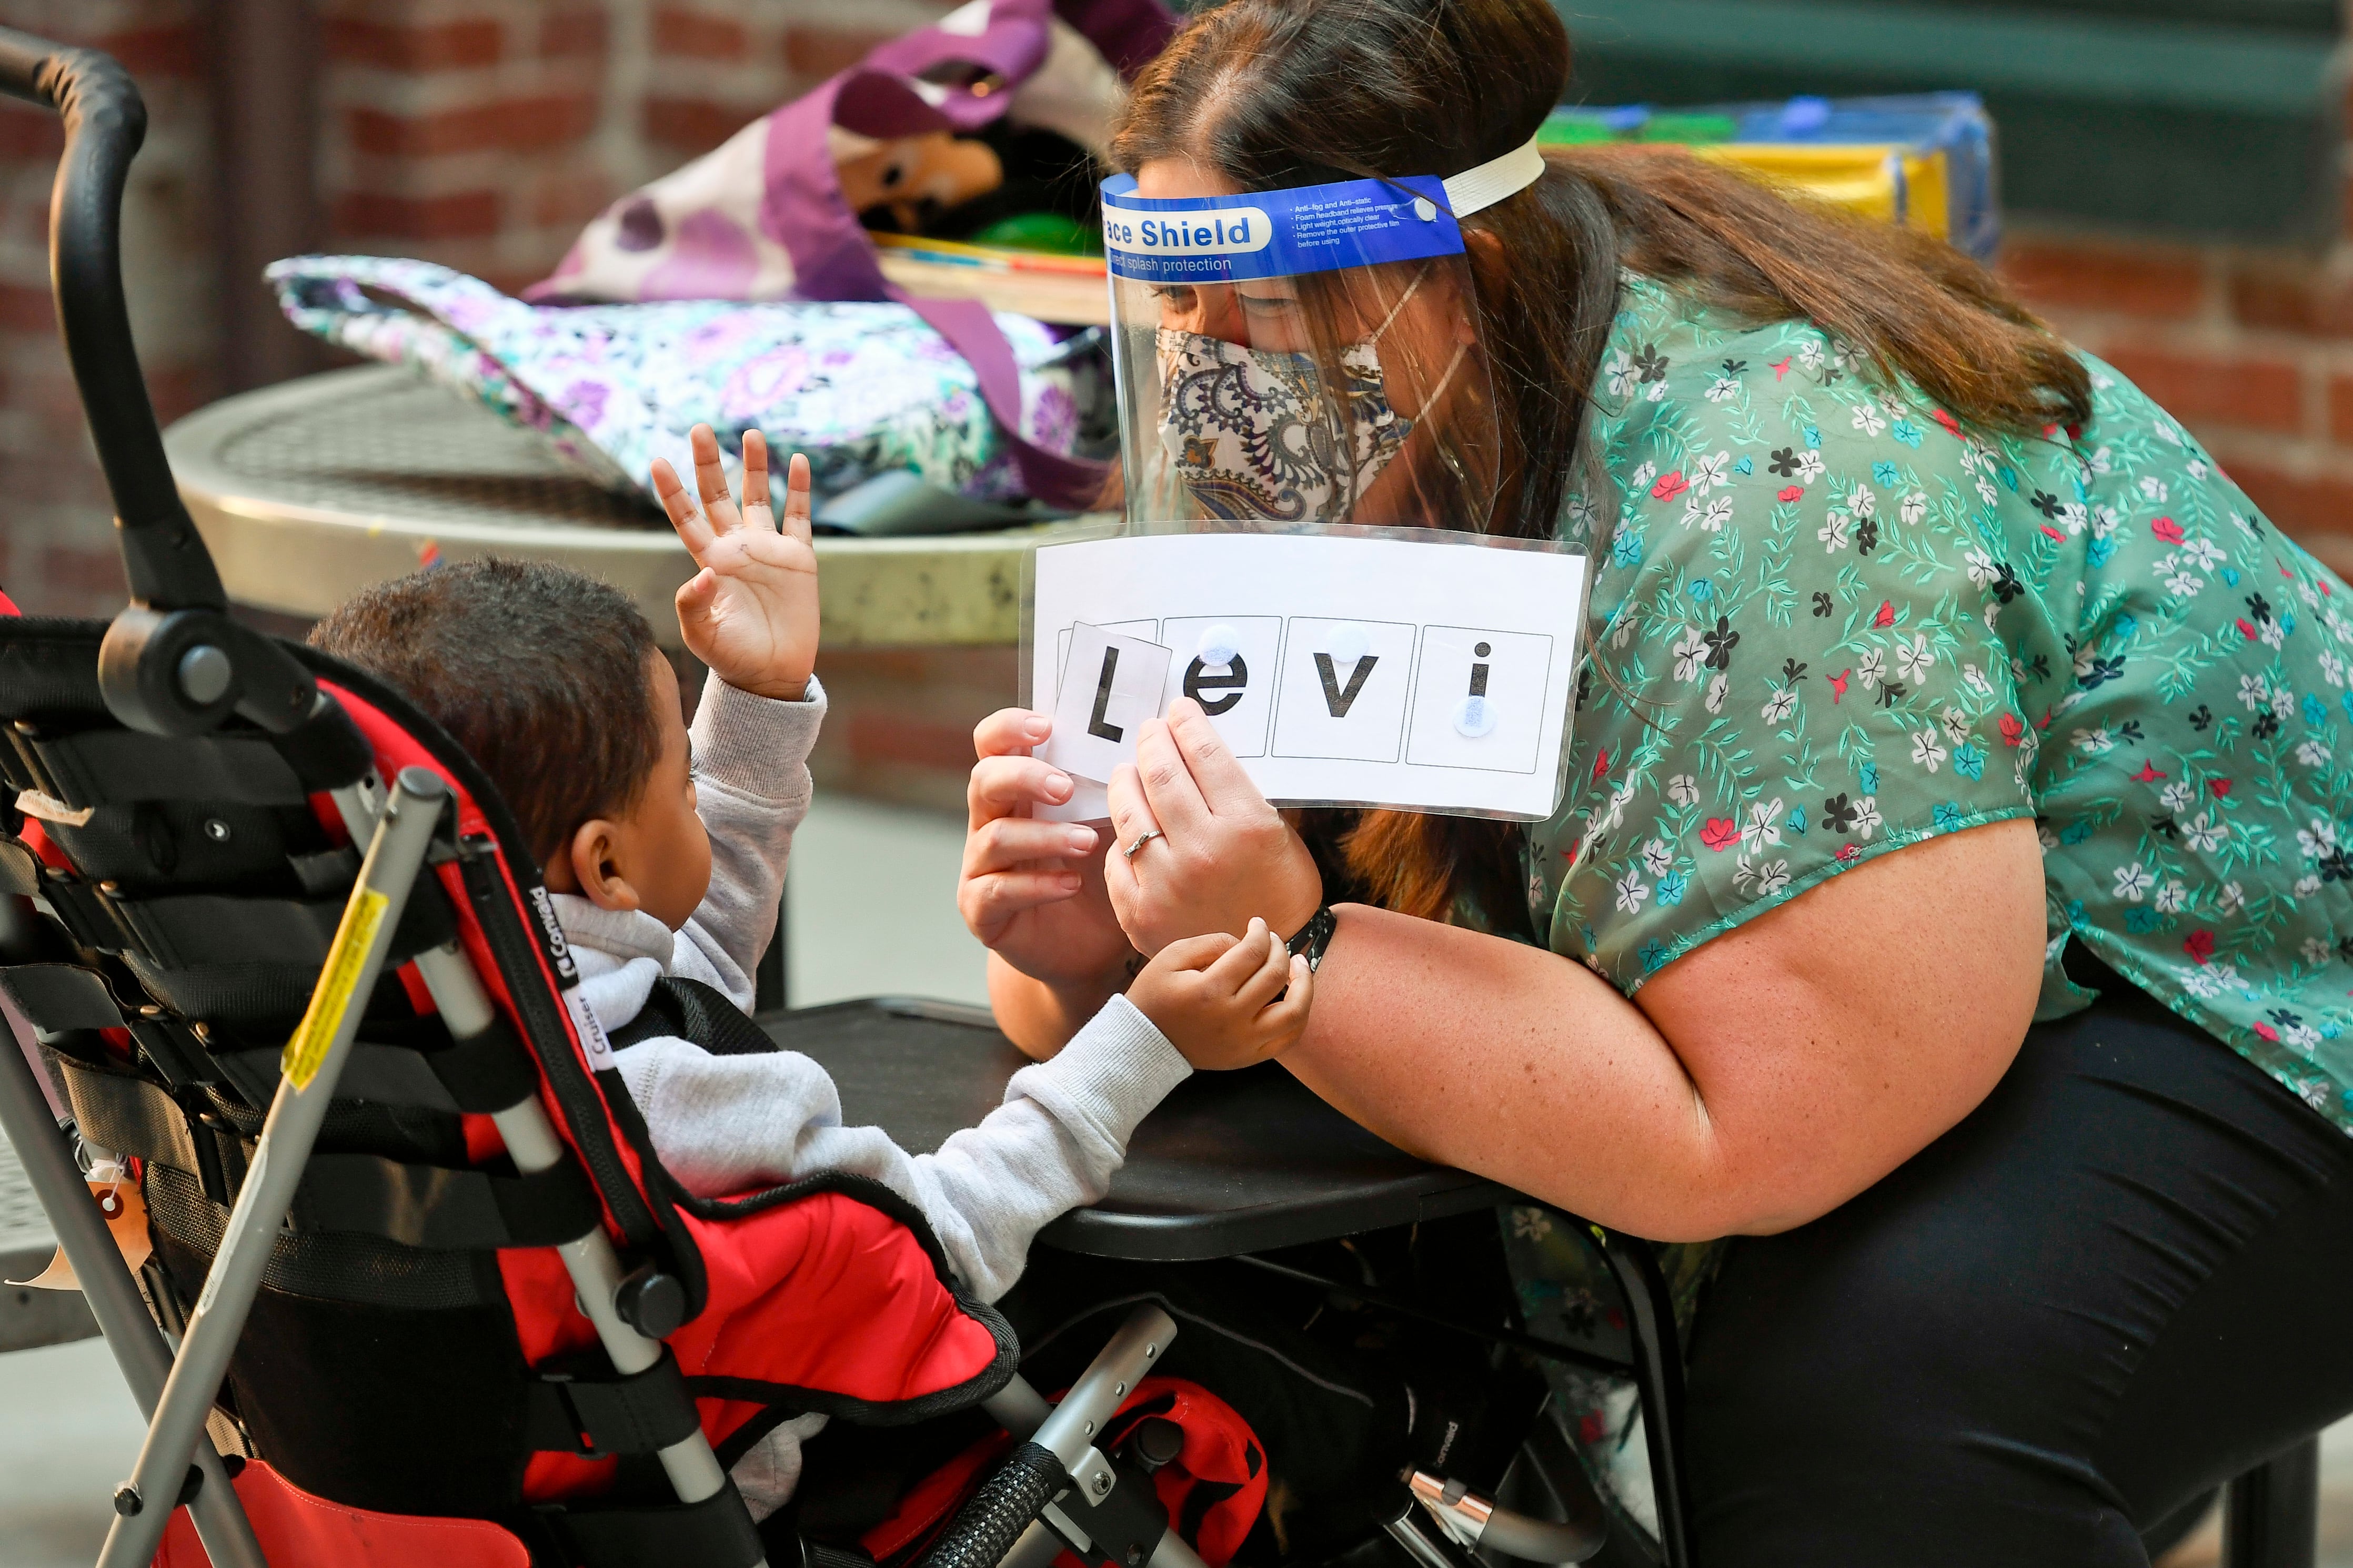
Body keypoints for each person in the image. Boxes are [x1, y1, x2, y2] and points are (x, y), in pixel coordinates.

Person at [956, 0, 2353, 1559]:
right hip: (1898, 990)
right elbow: (1207, 966)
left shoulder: (1769, 483)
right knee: (1174, 1242)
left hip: (2243, 989)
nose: (1208, 376)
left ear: (1454, 266)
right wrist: (1101, 933)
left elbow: (1740, 1131)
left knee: (1862, 1418)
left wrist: (1295, 944)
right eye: (1175, 309)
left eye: (1264, 312)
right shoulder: (1377, 403)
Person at [309, 423, 1313, 1521]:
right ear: (604, 865)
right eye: (686, 788)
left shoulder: (362, 1037)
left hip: (415, 1493)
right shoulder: (689, 1100)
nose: (701, 799)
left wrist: (757, 697)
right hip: (711, 1487)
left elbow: (669, 979)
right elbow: (939, 1250)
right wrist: (1146, 1039)